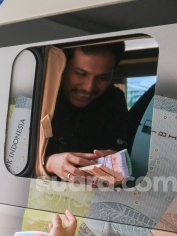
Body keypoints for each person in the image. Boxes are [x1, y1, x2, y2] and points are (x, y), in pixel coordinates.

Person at [44, 42, 129, 182]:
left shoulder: (114, 100)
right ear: (62, 68)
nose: (89, 88)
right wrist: (48, 163)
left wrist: (116, 161)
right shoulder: (36, 93)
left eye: (102, 78)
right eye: (80, 74)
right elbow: (7, 156)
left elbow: (119, 150)